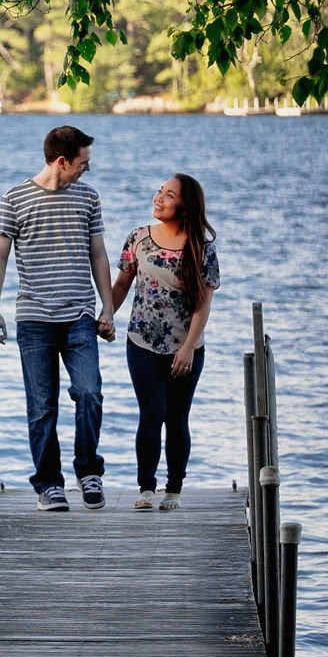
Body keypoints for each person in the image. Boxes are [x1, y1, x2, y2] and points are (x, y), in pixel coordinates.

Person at [0, 125, 117, 511]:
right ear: (62, 161)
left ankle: (88, 473)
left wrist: (108, 308)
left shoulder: (88, 198)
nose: (85, 170)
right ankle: (49, 485)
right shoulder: (15, 199)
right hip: (34, 319)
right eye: (83, 164)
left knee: (89, 393)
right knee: (42, 406)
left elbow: (99, 255)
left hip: (79, 316)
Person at [109, 173, 219, 511]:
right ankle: (146, 488)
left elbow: (203, 304)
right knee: (151, 413)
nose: (159, 198)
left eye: (169, 195)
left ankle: (174, 489)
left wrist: (188, 347)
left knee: (177, 417)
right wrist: (105, 314)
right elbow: (122, 285)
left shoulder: (201, 246)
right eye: (160, 191)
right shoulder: (139, 238)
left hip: (185, 347)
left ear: (185, 206)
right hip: (141, 342)